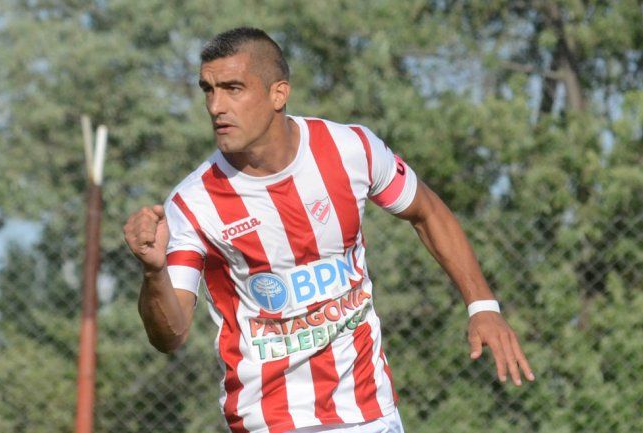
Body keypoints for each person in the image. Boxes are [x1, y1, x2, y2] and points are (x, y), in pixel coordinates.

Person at [123, 27, 535, 433]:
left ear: (278, 94)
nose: (216, 106)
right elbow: (170, 335)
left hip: (371, 412)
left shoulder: (350, 149)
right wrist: (153, 272)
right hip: (273, 422)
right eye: (208, 90)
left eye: (233, 88)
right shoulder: (192, 203)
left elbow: (426, 211)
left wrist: (482, 306)